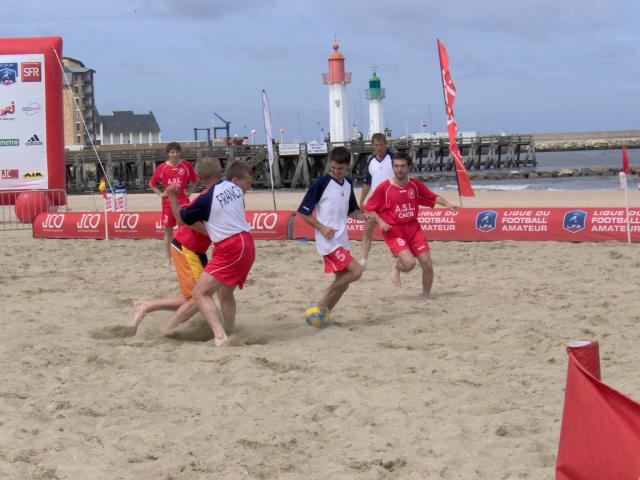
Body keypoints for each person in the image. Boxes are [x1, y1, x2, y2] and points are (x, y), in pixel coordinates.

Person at [131, 157, 222, 333]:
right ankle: (162, 326)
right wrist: (214, 234)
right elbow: (183, 220)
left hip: (195, 249)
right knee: (198, 297)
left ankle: (146, 306)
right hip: (186, 247)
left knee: (197, 296)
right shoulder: (207, 197)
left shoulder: (214, 194)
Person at [175, 160, 255, 347]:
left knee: (199, 293)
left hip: (231, 246)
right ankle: (230, 330)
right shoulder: (235, 188)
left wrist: (175, 197)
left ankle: (220, 336)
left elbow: (183, 218)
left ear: (200, 178)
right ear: (221, 172)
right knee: (225, 293)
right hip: (247, 244)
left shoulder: (206, 199)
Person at [365, 151, 458, 298]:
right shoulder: (385, 187)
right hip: (394, 231)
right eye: (396, 166)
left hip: (414, 228)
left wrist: (448, 204)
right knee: (409, 264)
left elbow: (432, 197)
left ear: (408, 167)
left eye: (402, 166)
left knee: (427, 264)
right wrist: (381, 222)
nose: (399, 169)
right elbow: (369, 208)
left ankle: (426, 296)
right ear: (392, 167)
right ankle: (396, 266)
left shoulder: (414, 184)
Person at [297, 146, 367, 321]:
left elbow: (352, 212)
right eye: (333, 167)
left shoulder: (349, 183)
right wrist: (321, 227)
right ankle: (323, 296)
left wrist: (366, 217)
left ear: (348, 166)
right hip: (328, 241)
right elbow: (303, 212)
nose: (336, 171)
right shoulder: (320, 183)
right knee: (356, 272)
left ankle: (323, 315)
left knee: (344, 284)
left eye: (340, 168)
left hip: (342, 239)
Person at [149, 142, 198, 261]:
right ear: (168, 154)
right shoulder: (162, 168)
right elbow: (152, 184)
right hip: (168, 203)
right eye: (172, 152)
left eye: (176, 152)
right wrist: (161, 194)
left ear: (180, 152)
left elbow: (195, 180)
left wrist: (189, 191)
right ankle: (168, 258)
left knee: (186, 229)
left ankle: (185, 255)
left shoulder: (186, 165)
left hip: (183, 201)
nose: (174, 154)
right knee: (168, 230)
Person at [359, 132, 394, 268]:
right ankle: (363, 260)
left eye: (381, 145)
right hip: (375, 201)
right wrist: (362, 201)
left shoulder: (393, 158)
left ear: (386, 144)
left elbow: (404, 176)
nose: (378, 148)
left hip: (391, 200)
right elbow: (367, 183)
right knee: (368, 229)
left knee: (393, 230)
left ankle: (398, 256)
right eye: (376, 145)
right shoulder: (371, 161)